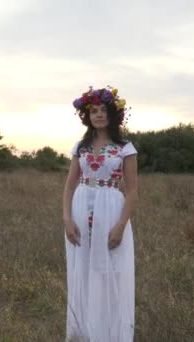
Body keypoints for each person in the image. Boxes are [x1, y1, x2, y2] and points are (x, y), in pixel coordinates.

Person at [62, 85, 138, 341]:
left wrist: (120, 226)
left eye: (104, 110)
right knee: (82, 270)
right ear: (87, 116)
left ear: (113, 114)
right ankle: (83, 333)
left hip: (111, 211)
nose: (99, 115)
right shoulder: (80, 147)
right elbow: (70, 184)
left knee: (109, 272)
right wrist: (67, 218)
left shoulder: (125, 147)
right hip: (81, 211)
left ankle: (108, 333)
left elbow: (132, 191)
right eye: (94, 111)